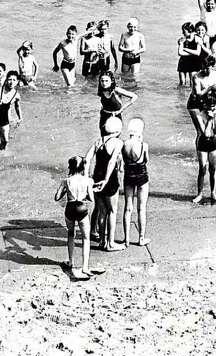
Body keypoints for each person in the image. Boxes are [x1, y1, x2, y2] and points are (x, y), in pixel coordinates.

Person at [86, 117, 125, 250]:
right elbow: (112, 161)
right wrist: (107, 180)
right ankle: (111, 243)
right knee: (112, 211)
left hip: (96, 177)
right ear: (118, 130)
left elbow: (87, 158)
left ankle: (102, 241)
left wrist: (86, 176)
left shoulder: (99, 141)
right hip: (109, 180)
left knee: (102, 211)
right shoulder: (118, 142)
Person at [54, 155, 94, 279]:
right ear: (82, 167)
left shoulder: (66, 181)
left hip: (70, 208)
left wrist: (66, 190)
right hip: (81, 208)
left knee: (71, 234)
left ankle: (71, 261)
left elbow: (56, 197)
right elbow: (91, 199)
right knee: (86, 238)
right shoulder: (87, 180)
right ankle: (85, 267)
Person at [188, 65, 216, 204]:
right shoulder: (199, 114)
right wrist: (209, 119)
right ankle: (200, 193)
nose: (211, 109)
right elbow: (204, 132)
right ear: (205, 106)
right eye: (209, 106)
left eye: (213, 107)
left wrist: (215, 117)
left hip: (213, 143)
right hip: (203, 142)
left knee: (213, 169)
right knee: (202, 169)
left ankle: (213, 193)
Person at [120, 118, 149, 247]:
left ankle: (126, 239)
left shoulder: (123, 144)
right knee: (141, 208)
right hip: (142, 175)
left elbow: (124, 161)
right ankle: (141, 238)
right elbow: (145, 160)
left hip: (128, 175)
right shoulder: (144, 145)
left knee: (128, 208)